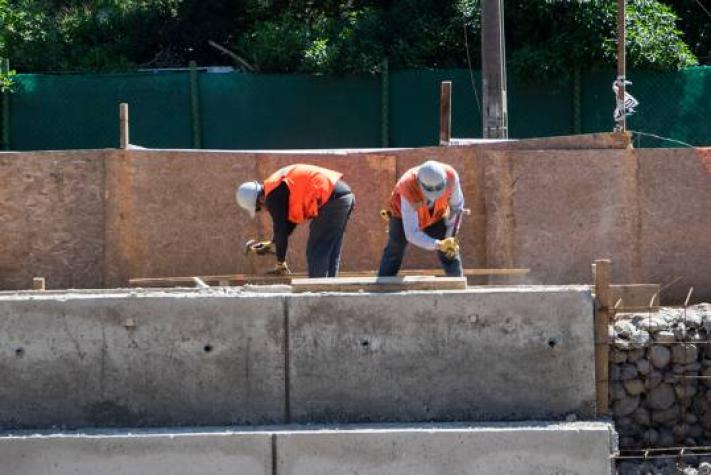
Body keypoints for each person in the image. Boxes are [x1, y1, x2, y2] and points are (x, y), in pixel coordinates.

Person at [236, 163, 355, 277]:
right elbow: (289, 221)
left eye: (259, 208)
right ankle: (329, 290)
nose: (265, 209)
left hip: (331, 200)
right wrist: (274, 243)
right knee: (330, 248)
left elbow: (281, 228)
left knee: (317, 249)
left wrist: (280, 262)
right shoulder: (277, 186)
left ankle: (318, 292)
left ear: (260, 200)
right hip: (342, 197)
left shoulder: (272, 196)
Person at [378, 160, 464, 277]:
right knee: (395, 248)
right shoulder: (407, 185)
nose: (433, 195)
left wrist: (450, 237)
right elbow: (411, 234)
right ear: (419, 183)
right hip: (401, 216)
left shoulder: (451, 177)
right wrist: (438, 244)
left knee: (450, 251)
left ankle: (457, 284)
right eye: (429, 191)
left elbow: (457, 208)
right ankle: (383, 287)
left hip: (436, 214)